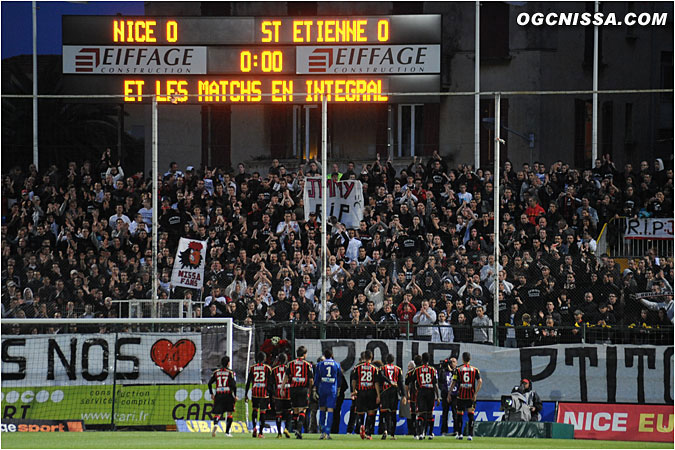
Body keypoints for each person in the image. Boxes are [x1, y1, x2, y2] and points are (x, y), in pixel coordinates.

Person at [449, 352, 482, 441]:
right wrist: (475, 393)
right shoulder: (475, 370)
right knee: (471, 415)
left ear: (463, 359)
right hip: (471, 395)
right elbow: (480, 381)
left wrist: (449, 393)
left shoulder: (458, 370)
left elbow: (454, 382)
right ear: (470, 359)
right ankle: (470, 435)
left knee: (460, 415)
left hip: (461, 396)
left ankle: (460, 434)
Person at [282, 346, 314, 439]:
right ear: (304, 355)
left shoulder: (290, 364)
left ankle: (295, 428)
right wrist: (310, 389)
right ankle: (299, 430)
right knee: (303, 410)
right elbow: (311, 380)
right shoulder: (307, 365)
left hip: (293, 389)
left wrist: (282, 387)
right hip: (303, 389)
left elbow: (286, 376)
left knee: (295, 410)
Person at [351, 350, 381, 440]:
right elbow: (376, 383)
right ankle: (368, 432)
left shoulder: (357, 367)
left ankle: (361, 426)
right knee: (371, 412)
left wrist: (354, 390)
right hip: (371, 392)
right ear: (371, 357)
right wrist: (378, 395)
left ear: (364, 357)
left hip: (361, 392)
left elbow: (354, 380)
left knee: (360, 412)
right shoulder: (374, 368)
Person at [313, 349, 342, 440]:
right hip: (332, 389)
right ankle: (328, 433)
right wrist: (338, 388)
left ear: (324, 355)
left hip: (322, 389)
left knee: (322, 409)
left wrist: (315, 389)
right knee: (330, 410)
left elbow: (317, 378)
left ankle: (322, 432)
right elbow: (339, 378)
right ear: (332, 355)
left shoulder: (320, 364)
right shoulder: (337, 365)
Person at [411, 352, 439, 440]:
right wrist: (438, 396)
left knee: (421, 413)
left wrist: (416, 389)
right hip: (430, 392)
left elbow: (413, 382)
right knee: (430, 413)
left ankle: (421, 433)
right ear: (428, 359)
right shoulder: (433, 370)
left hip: (421, 392)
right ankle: (430, 433)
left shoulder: (417, 369)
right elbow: (435, 384)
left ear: (422, 359)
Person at [208, 356, 237, 437]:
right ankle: (227, 432)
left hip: (219, 393)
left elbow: (209, 383)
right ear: (228, 363)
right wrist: (235, 395)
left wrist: (211, 393)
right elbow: (234, 385)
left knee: (217, 413)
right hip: (228, 394)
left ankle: (216, 424)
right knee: (229, 413)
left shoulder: (216, 372)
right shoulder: (230, 373)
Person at [244, 351, 272, 438]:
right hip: (263, 393)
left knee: (255, 410)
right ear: (264, 359)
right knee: (263, 412)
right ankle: (261, 433)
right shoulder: (267, 368)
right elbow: (270, 382)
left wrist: (246, 394)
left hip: (255, 391)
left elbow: (248, 382)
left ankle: (254, 428)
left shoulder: (252, 368)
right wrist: (270, 394)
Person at [379, 353, 405, 440]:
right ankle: (392, 435)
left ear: (386, 360)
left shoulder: (382, 368)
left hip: (385, 392)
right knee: (393, 414)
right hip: (394, 393)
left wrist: (389, 382)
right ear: (393, 360)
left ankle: (385, 430)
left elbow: (381, 376)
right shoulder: (398, 369)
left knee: (384, 413)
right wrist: (404, 395)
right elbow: (401, 383)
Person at [270, 353, 292, 438]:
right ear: (286, 360)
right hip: (288, 392)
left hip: (278, 392)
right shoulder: (289, 368)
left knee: (278, 413)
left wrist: (273, 393)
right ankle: (286, 428)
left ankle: (279, 433)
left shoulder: (274, 369)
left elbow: (271, 383)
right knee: (289, 412)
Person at [439, 356, 458, 436]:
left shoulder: (457, 371)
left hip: (455, 395)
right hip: (445, 395)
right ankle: (444, 431)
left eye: (453, 361)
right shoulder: (444, 371)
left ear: (456, 363)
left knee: (455, 413)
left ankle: (457, 430)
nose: (451, 363)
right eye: (450, 362)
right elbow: (440, 382)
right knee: (445, 414)